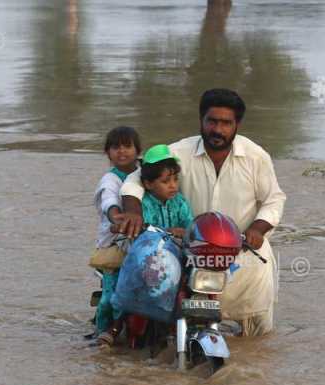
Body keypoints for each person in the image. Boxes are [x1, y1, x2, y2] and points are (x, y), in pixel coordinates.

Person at [116, 89, 286, 336]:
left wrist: (258, 229)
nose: (218, 129)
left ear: (237, 125)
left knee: (257, 332)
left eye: (226, 123)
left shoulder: (255, 157)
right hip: (189, 249)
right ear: (201, 120)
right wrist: (133, 212)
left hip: (242, 248)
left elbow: (274, 199)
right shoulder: (179, 153)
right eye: (212, 121)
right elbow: (135, 179)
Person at [92, 126, 141, 348]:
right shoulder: (110, 180)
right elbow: (109, 201)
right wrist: (117, 218)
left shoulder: (145, 173)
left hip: (142, 240)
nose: (122, 151)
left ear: (138, 150)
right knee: (111, 298)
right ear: (108, 153)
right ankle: (102, 331)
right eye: (116, 147)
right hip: (115, 244)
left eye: (127, 146)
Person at [138, 144, 194, 236]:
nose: (173, 186)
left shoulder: (180, 201)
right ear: (148, 184)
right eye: (165, 181)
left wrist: (188, 232)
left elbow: (189, 224)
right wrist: (168, 231)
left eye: (175, 179)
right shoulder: (144, 205)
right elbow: (145, 231)